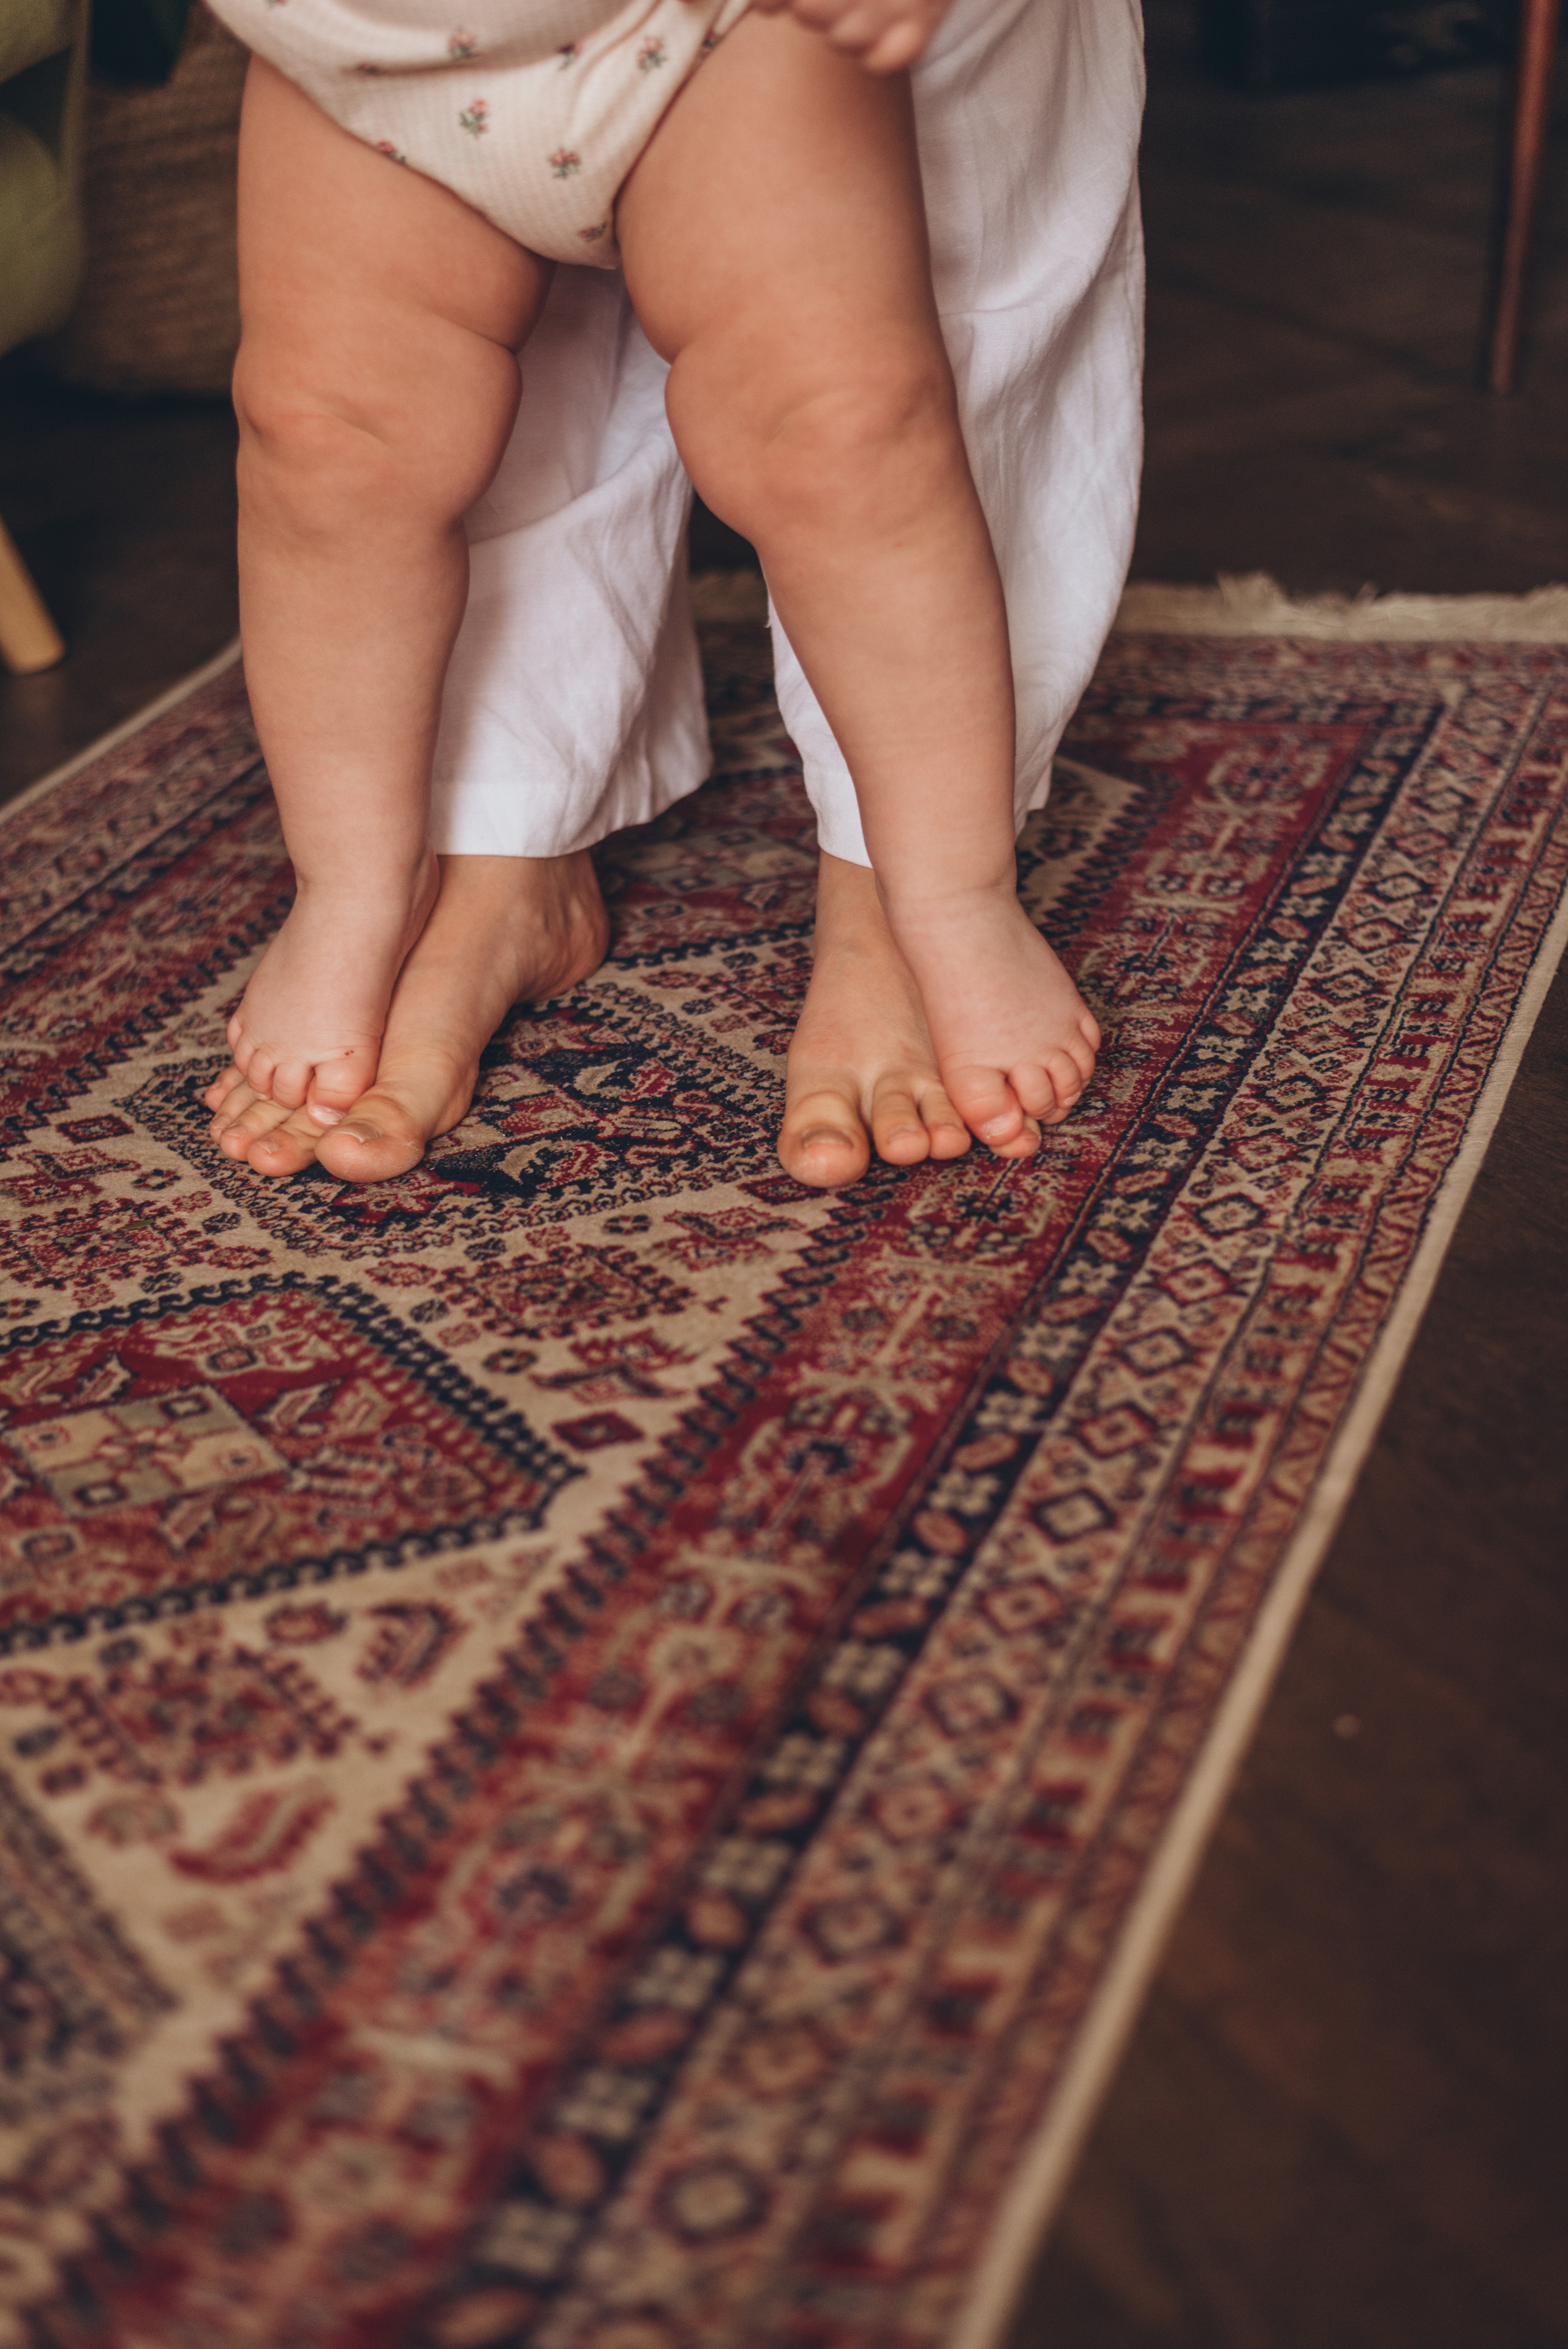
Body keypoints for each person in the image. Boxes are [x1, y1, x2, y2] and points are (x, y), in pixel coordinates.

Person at [201, 0, 1145, 1191]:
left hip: (721, 25)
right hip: (370, 40)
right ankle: (361, 885)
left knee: (836, 430)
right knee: (329, 444)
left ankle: (935, 900)